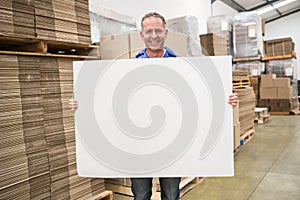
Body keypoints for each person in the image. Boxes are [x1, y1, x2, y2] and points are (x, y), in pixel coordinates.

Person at [70, 12, 238, 200]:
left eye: (158, 30)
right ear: (142, 35)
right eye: (149, 31)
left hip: (173, 142)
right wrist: (82, 104)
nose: (154, 36)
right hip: (139, 143)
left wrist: (226, 99)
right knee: (141, 195)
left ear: (166, 33)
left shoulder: (180, 65)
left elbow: (197, 99)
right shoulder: (130, 67)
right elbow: (113, 100)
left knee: (171, 194)